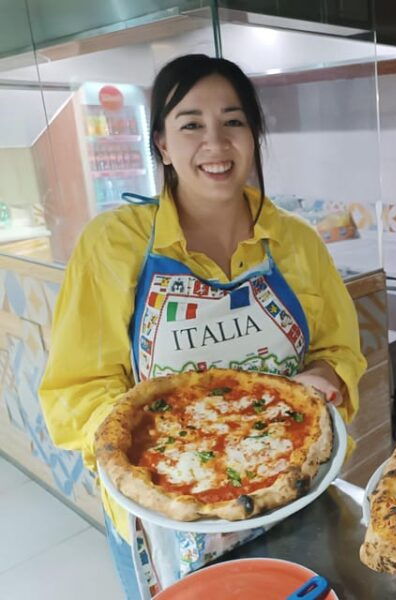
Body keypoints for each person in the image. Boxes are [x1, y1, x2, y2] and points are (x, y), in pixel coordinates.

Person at [39, 54, 366, 599]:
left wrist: (323, 375)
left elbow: (342, 349)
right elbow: (77, 390)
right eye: (191, 124)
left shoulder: (296, 241)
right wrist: (171, 445)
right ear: (163, 144)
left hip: (293, 497)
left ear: (254, 136)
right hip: (170, 511)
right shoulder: (113, 244)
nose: (215, 144)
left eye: (233, 122)